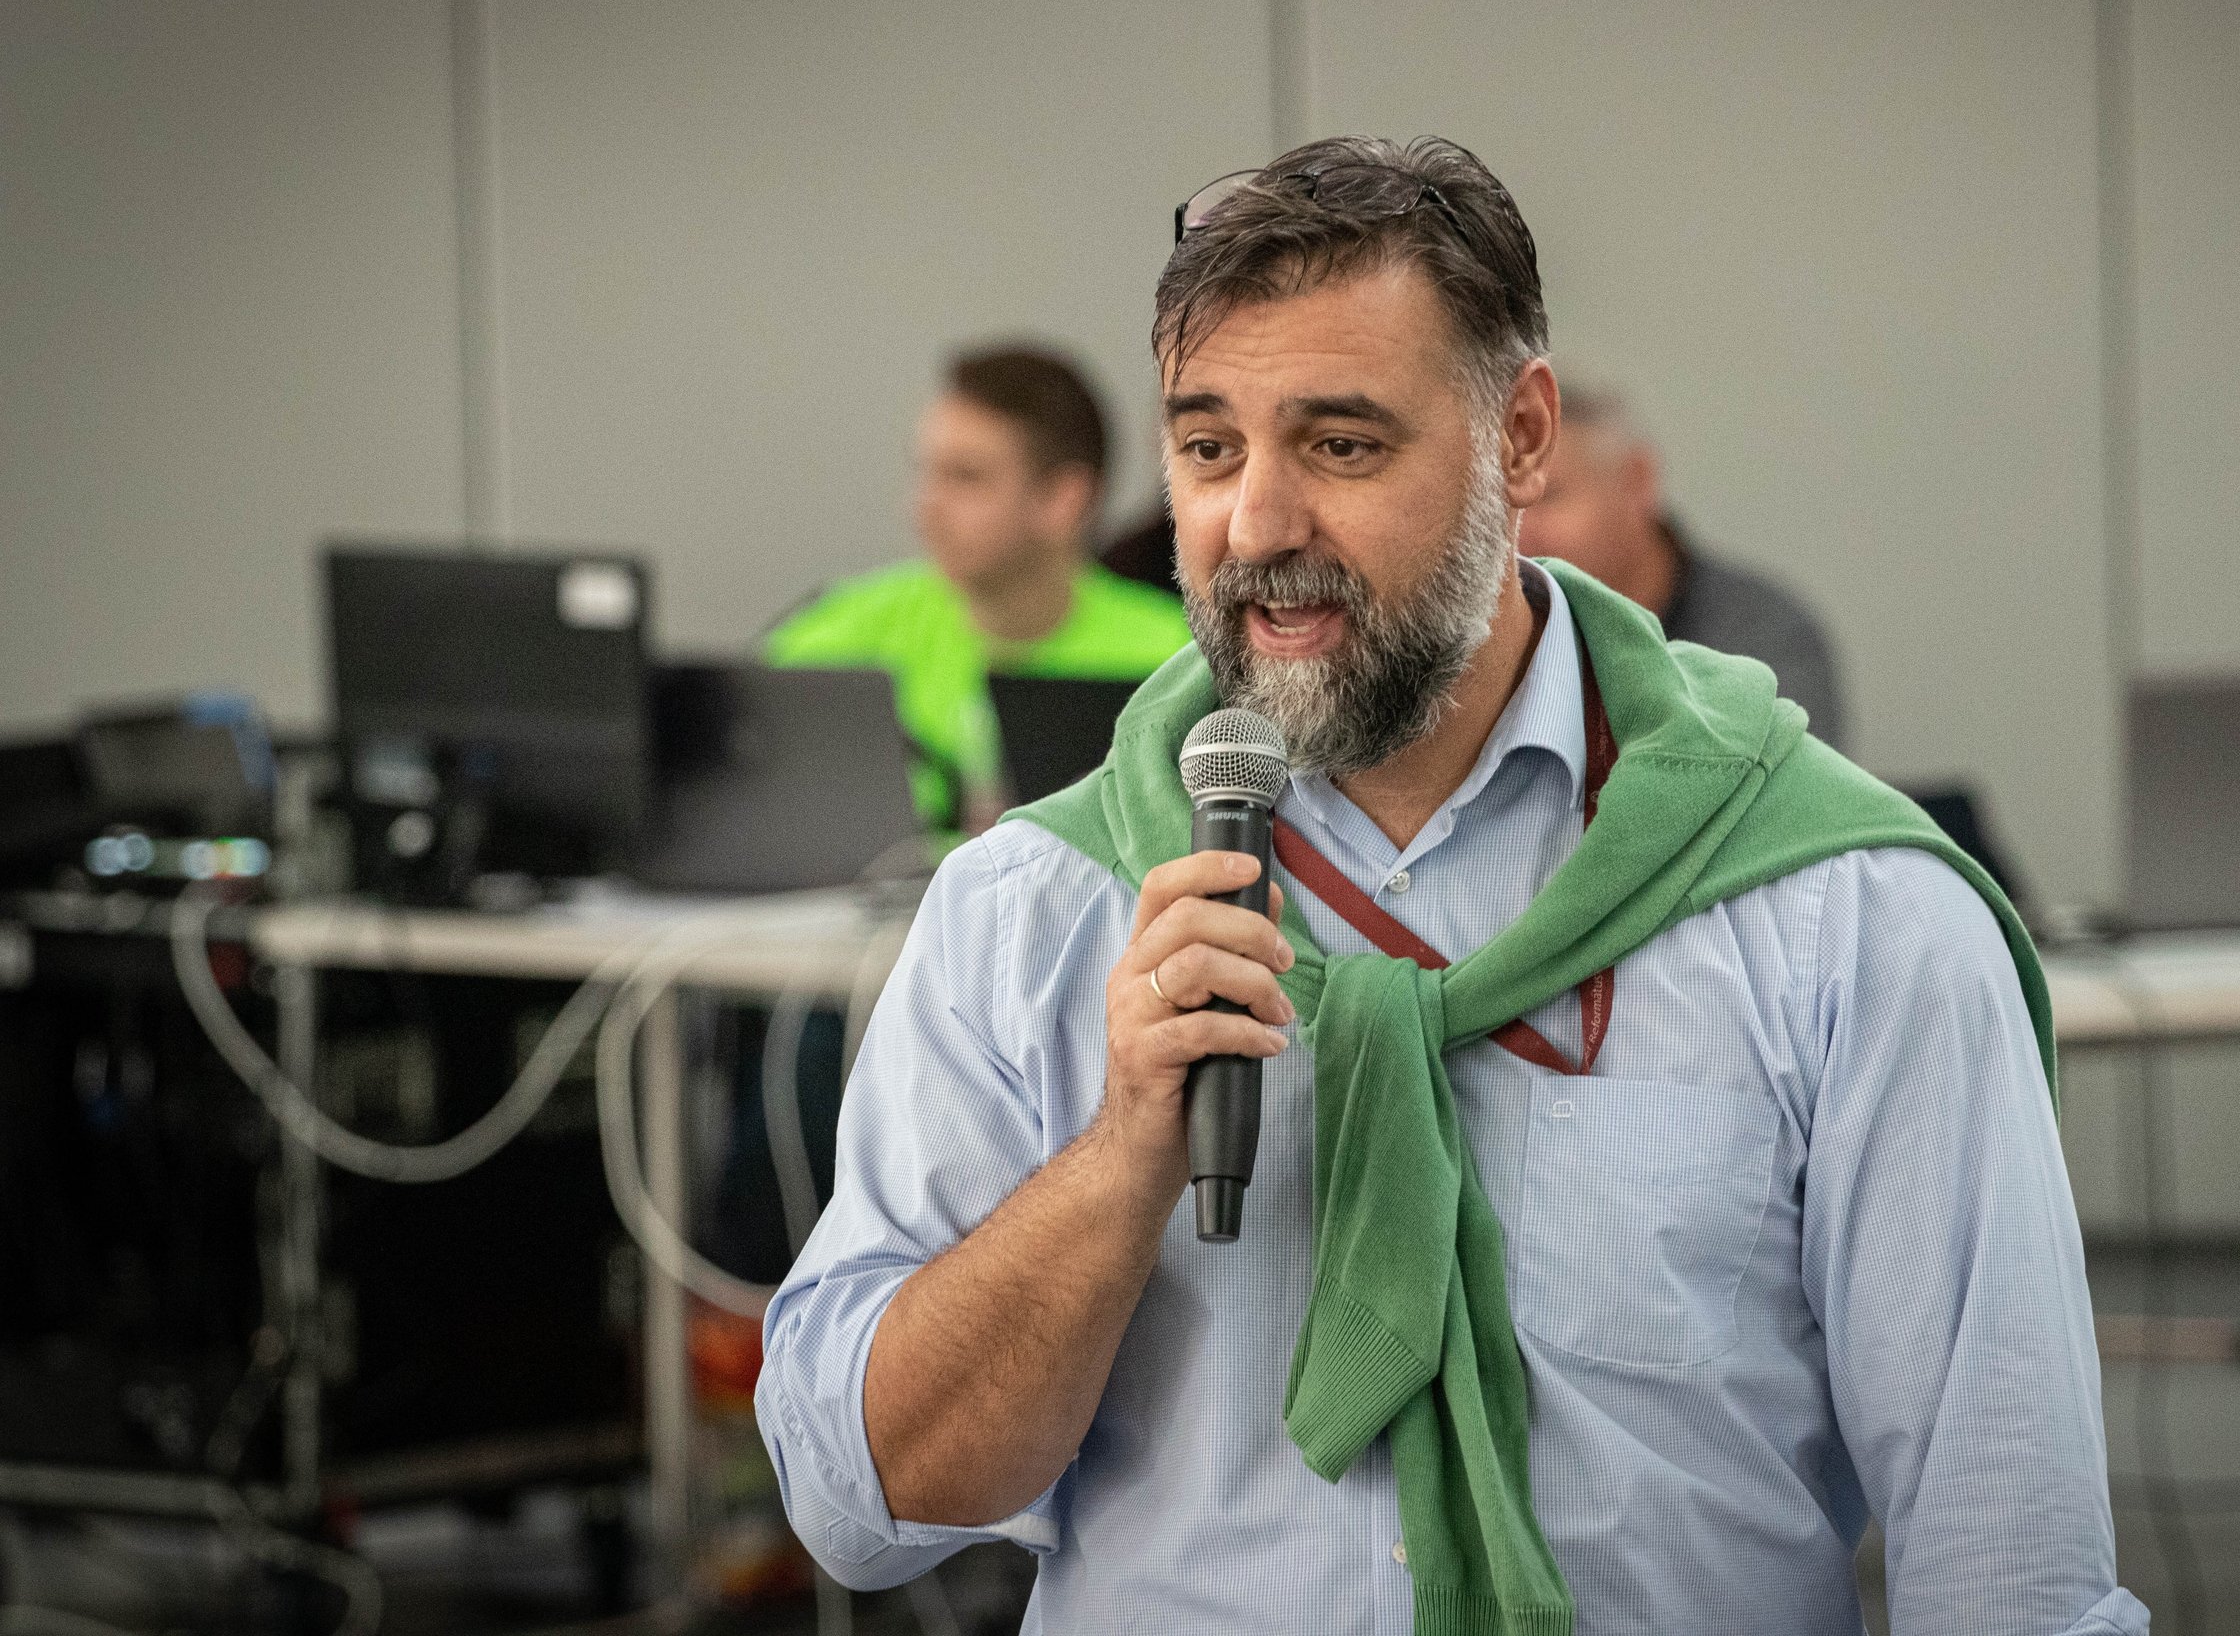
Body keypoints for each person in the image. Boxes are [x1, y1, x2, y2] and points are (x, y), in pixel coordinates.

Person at [757, 138, 2144, 1635]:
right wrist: (1117, 1161)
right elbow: (862, 1510)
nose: (1256, 525)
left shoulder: (1841, 910)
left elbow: (2011, 1568)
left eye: (1341, 446)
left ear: (1520, 439)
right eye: (1209, 449)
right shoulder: (1032, 910)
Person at [764, 345, 1189, 828]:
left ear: (1064, 498)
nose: (927, 504)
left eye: (966, 477)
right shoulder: (842, 635)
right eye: (926, 472)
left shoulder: (1175, 659)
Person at [1518, 381, 1849, 751]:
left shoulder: (1762, 640)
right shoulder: (1501, 636)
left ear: (1636, 482)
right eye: (1504, 502)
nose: (1516, 530)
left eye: (1546, 497)